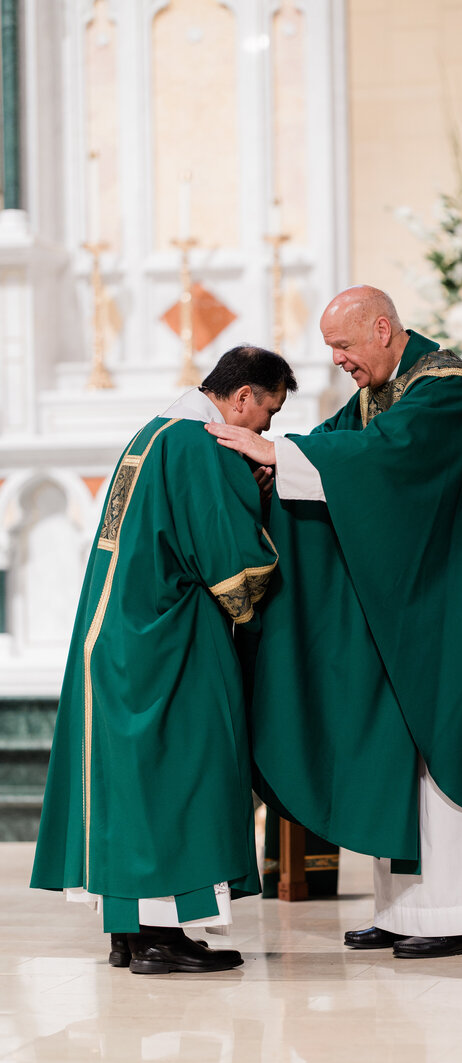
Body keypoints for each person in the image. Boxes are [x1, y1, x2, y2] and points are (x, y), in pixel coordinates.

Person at [207, 287, 462, 958]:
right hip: (415, 605)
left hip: (456, 606)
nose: (338, 362)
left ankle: (461, 913)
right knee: (398, 750)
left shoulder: (450, 393)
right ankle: (408, 910)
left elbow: (387, 461)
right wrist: (271, 464)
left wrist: (281, 457)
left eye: (346, 346)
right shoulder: (384, 393)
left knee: (444, 744)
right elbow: (334, 447)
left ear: (383, 329)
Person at [31, 346, 297, 974]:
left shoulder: (152, 435)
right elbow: (231, 559)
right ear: (240, 398)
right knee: (178, 776)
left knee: (136, 785)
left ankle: (131, 931)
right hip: (165, 639)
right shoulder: (198, 444)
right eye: (267, 413)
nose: (265, 431)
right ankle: (160, 938)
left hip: (121, 636)